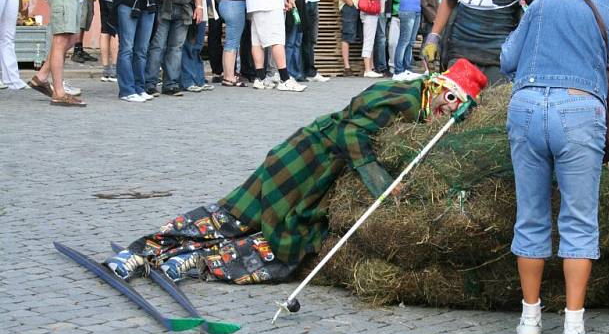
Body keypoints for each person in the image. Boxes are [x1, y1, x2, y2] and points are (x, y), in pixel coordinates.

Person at [106, 59, 488, 284]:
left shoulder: (422, 111)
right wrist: (381, 184)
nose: (448, 112)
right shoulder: (402, 96)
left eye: (458, 110)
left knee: (287, 237)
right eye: (451, 102)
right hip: (307, 156)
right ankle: (143, 251)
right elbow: (351, 129)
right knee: (242, 213)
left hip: (327, 173)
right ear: (441, 89)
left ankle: (194, 260)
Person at [501, 0, 609, 334]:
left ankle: (529, 321)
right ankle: (573, 330)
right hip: (580, 111)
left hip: (526, 106)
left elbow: (508, 57)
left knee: (530, 215)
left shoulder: (545, 1)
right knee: (579, 221)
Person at [392, 0, 424, 80]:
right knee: (404, 41)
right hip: (407, 10)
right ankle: (398, 71)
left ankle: (406, 68)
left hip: (416, 10)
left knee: (410, 42)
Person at [357, 0, 388, 78]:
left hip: (366, 10)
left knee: (369, 38)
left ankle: (370, 67)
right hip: (370, 11)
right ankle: (368, 69)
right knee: (369, 39)